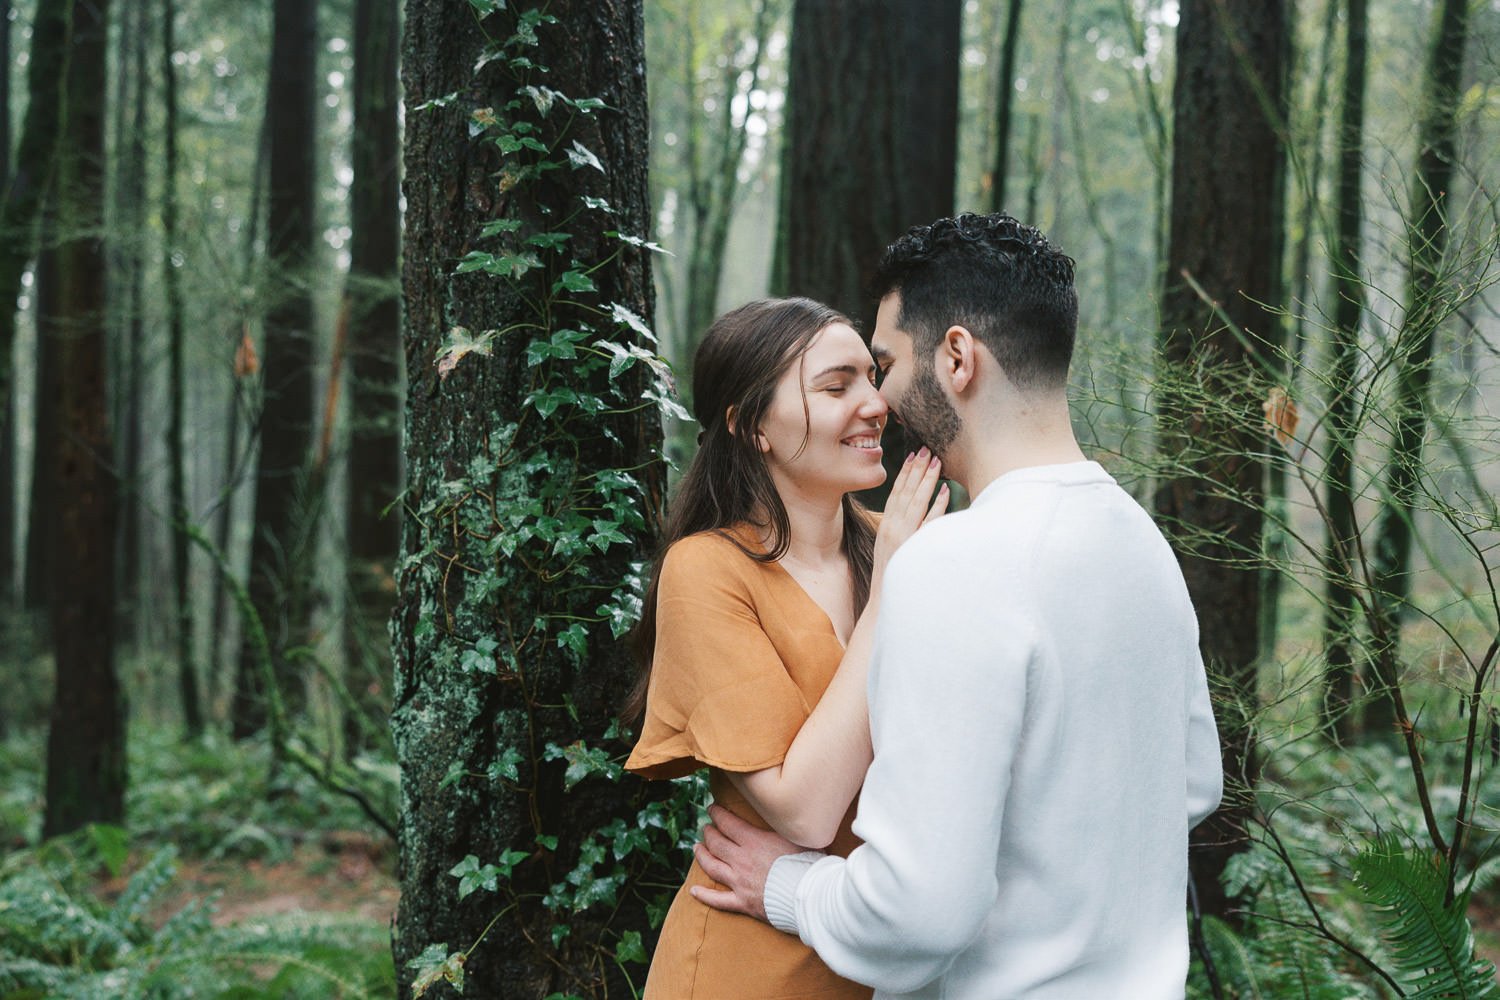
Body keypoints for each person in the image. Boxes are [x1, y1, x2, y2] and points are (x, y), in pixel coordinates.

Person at [690, 213, 1224, 999]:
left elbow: (920, 911)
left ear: (957, 358)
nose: (881, 400)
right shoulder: (1141, 543)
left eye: (886, 364)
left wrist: (791, 888)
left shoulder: (955, 563)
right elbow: (1194, 784)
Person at [624, 297, 949, 998]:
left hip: (888, 959)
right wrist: (892, 590)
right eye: (836, 387)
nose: (874, 403)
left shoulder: (903, 546)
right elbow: (802, 810)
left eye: (872, 376)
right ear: (751, 426)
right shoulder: (708, 571)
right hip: (746, 965)